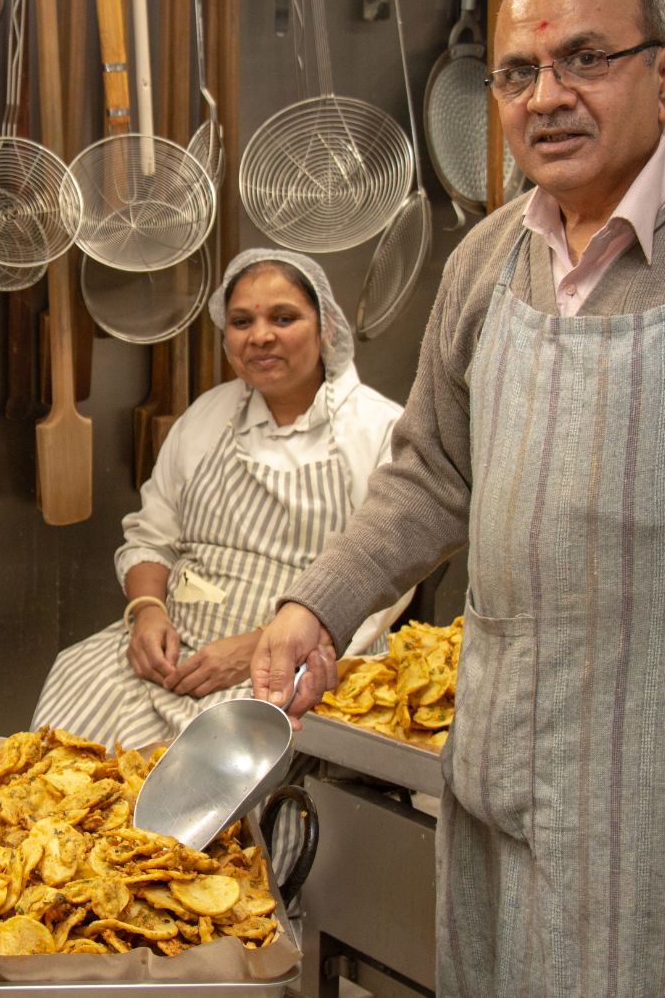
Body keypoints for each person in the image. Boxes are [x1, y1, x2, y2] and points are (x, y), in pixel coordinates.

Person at [251, 0, 665, 997]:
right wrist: (319, 605)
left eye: (585, 59)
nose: (547, 97)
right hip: (496, 785)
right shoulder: (486, 258)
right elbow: (431, 469)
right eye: (519, 72)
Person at [33, 249, 410, 747]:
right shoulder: (206, 416)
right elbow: (153, 535)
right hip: (179, 655)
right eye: (241, 321)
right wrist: (146, 611)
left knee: (222, 770)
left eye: (283, 317)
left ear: (326, 329)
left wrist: (261, 647)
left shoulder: (381, 429)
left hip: (302, 665)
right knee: (73, 701)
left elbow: (383, 580)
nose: (260, 335)